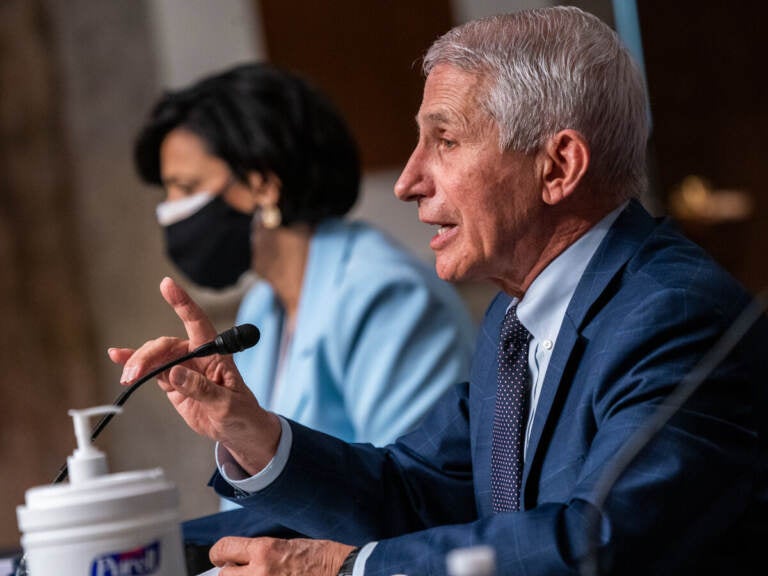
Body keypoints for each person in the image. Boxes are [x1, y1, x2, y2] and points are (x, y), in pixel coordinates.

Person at [110, 6, 768, 576]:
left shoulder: (674, 315)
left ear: (559, 166)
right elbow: (415, 492)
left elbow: (597, 542)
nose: (407, 181)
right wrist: (246, 429)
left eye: (445, 141)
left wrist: (347, 567)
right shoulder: (519, 318)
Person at [131, 62, 477, 516]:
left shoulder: (386, 296)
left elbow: (419, 502)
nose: (170, 212)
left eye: (186, 187)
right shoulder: (264, 306)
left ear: (262, 184)